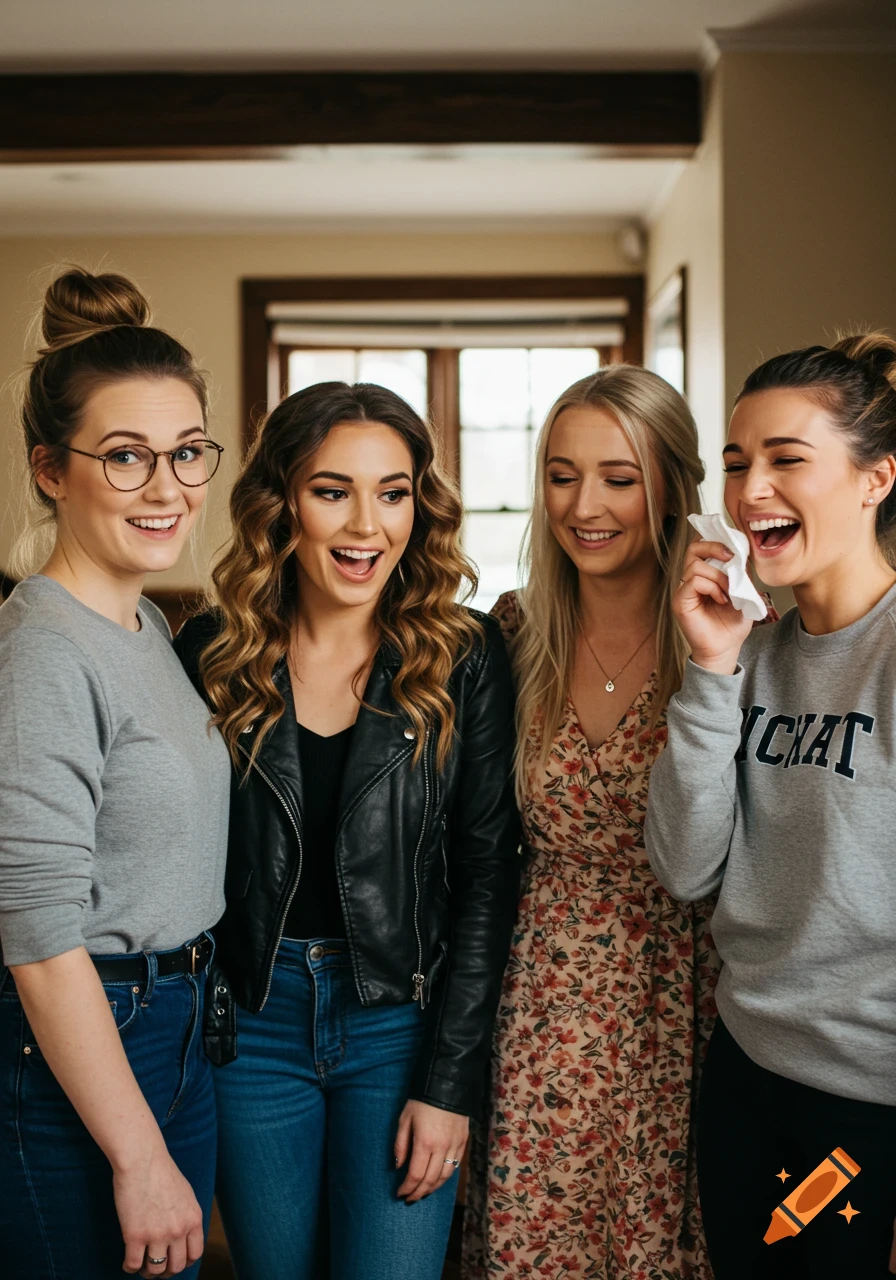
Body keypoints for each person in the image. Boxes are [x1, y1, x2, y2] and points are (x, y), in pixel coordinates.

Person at [175, 380, 521, 1280]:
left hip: (397, 1025)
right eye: (333, 491)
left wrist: (448, 1084)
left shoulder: (466, 656)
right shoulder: (211, 650)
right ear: (281, 500)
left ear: (421, 504)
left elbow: (488, 877)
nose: (367, 524)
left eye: (393, 491)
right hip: (251, 1024)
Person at [645, 333, 896, 1279]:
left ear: (876, 479)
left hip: (869, 1102)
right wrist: (712, 667)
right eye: (737, 464)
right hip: (747, 1073)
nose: (750, 493)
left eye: (788, 460)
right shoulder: (755, 654)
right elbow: (685, 866)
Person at [464, 365, 723, 1279]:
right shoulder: (510, 631)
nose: (585, 505)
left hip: (693, 996)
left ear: (675, 488)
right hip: (540, 997)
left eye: (620, 476)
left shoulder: (730, 637)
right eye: (561, 473)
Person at [0, 268, 230, 1280]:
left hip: (176, 1023)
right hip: (86, 1038)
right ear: (52, 469)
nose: (168, 485)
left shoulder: (143, 622)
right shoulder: (46, 651)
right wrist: (137, 1154)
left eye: (186, 453)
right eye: (126, 457)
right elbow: (40, 935)